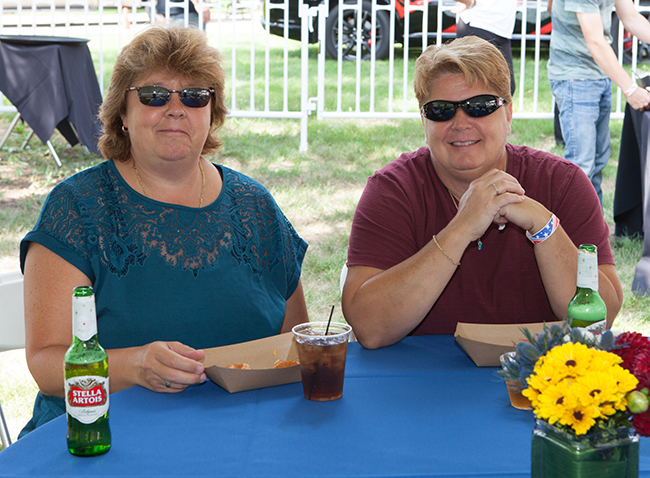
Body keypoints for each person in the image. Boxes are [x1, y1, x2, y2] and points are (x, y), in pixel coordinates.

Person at [18, 26, 309, 436]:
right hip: (103, 436)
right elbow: (47, 365)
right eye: (154, 95)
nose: (176, 108)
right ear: (122, 111)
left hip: (242, 435)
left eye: (194, 96)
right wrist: (134, 366)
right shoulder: (77, 207)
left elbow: (291, 345)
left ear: (213, 113)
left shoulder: (255, 205)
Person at [341, 36, 623, 350]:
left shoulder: (562, 183)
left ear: (508, 112)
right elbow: (369, 327)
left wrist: (544, 225)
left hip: (544, 381)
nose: (461, 123)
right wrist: (461, 228)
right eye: (440, 110)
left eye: (480, 107)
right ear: (423, 118)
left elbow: (602, 320)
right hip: (422, 384)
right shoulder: (393, 191)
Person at [548, 0, 650, 204]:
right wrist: (629, 89)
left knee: (597, 163)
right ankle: (575, 233)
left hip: (599, 74)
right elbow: (595, 41)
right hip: (575, 78)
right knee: (581, 168)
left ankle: (594, 232)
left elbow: (630, 18)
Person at [453, 0, 518, 95]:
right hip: (479, 25)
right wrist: (470, 2)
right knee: (480, 90)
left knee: (506, 88)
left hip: (501, 31)